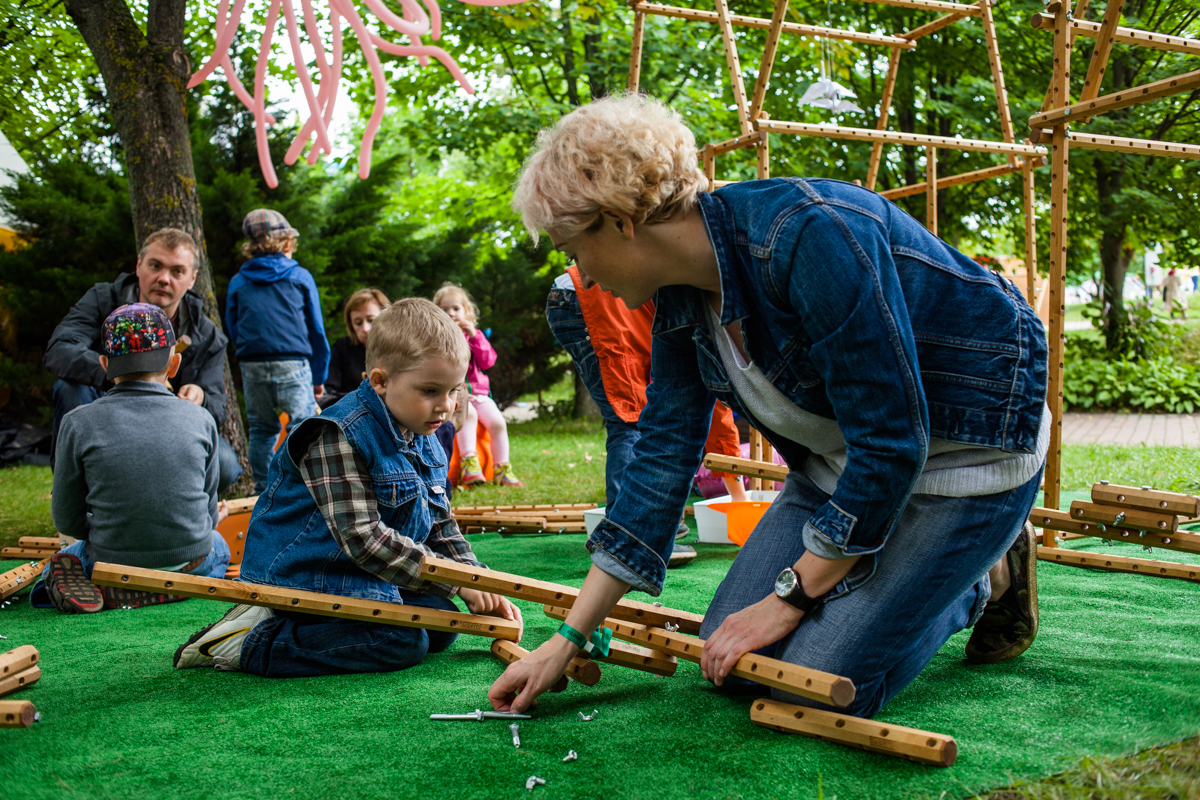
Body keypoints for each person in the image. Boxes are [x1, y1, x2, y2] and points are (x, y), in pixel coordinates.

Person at [489, 95, 1049, 719]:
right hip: (842, 474)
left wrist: (789, 598)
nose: (582, 277)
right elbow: (660, 459)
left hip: (967, 459)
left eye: (574, 247)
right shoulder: (678, 297)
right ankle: (902, 567)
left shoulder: (811, 234)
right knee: (730, 663)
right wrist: (566, 639)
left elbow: (892, 445)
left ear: (621, 221)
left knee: (810, 681)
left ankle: (980, 577)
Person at [174, 298, 522, 676]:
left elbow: (440, 525)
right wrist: (456, 583)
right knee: (404, 641)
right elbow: (363, 538)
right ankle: (251, 641)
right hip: (305, 577)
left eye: (454, 390)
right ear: (380, 381)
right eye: (430, 391)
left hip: (365, 573)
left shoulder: (421, 429)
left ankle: (302, 630)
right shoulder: (337, 434)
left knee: (441, 627)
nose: (446, 406)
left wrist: (476, 577)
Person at [37, 303, 232, 614]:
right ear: (174, 364)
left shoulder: (77, 422)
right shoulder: (201, 419)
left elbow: (66, 518)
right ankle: (174, 588)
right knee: (218, 544)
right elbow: (207, 512)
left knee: (68, 556)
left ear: (104, 365)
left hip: (113, 563)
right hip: (191, 563)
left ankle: (98, 586)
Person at [545, 264, 748, 551]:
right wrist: (739, 498)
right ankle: (630, 536)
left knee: (642, 413)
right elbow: (716, 409)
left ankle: (646, 522)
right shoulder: (718, 321)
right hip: (592, 299)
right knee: (630, 417)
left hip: (584, 297)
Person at [43, 228, 241, 492]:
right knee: (69, 388)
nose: (163, 278)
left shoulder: (207, 335)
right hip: (107, 416)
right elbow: (59, 350)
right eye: (155, 266)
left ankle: (168, 509)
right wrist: (120, 374)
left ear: (192, 279)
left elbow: (217, 406)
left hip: (169, 428)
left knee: (226, 464)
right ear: (139, 266)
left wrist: (200, 396)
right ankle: (75, 503)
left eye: (177, 271)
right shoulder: (103, 300)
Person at [226, 209, 332, 493]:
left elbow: (233, 326)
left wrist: (250, 352)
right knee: (302, 426)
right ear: (287, 242)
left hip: (252, 364)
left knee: (261, 429)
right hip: (293, 362)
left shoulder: (238, 281)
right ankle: (300, 487)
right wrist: (319, 376)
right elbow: (316, 330)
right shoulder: (299, 276)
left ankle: (264, 488)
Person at [433, 283, 524, 487]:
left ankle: (502, 468)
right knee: (469, 415)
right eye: (444, 310)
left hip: (481, 394)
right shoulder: (437, 339)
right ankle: (469, 463)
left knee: (498, 422)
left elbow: (488, 361)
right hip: (456, 395)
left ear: (467, 311)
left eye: (456, 309)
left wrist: (473, 335)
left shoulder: (476, 336)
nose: (451, 313)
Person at [320, 288, 389, 409]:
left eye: (371, 320)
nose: (365, 329)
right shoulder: (342, 347)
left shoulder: (397, 351)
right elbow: (328, 393)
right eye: (358, 322)